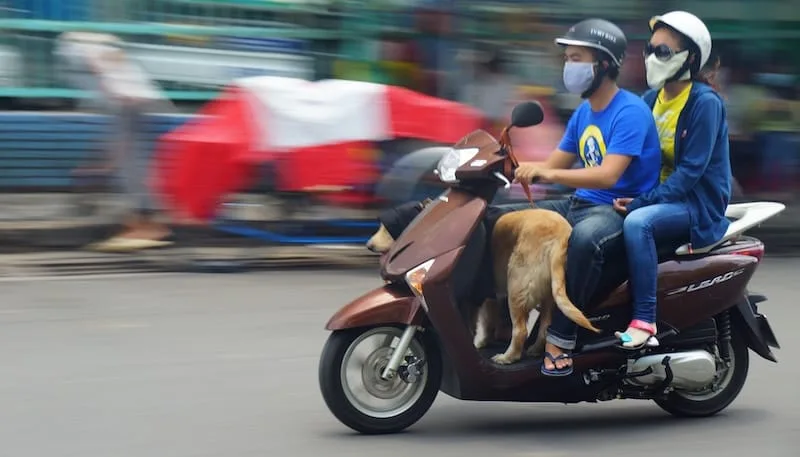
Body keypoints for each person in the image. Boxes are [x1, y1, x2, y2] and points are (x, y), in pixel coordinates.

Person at [505, 18, 662, 376]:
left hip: (616, 209)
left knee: (585, 241)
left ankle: (561, 339)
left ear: (604, 64)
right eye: (567, 59)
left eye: (577, 58)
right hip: (580, 203)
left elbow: (608, 174)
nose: (568, 67)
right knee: (503, 219)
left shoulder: (630, 112)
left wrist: (548, 172)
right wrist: (509, 169)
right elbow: (553, 165)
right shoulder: (583, 112)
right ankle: (502, 325)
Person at [610, 11, 732, 348]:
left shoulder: (704, 103)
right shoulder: (650, 100)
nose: (651, 58)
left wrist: (641, 203)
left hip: (696, 204)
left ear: (689, 58)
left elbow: (691, 173)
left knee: (638, 224)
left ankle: (644, 320)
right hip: (659, 197)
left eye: (662, 51)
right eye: (650, 49)